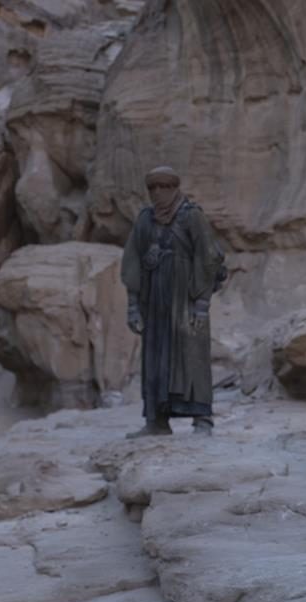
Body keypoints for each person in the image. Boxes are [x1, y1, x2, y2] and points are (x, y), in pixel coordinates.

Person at [121, 166, 225, 438]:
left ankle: (202, 419)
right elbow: (131, 261)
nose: (158, 193)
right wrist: (133, 305)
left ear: (174, 188)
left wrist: (201, 304)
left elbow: (209, 257)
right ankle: (157, 422)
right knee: (155, 358)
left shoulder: (192, 217)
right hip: (154, 301)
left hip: (186, 300)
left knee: (192, 356)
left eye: (164, 186)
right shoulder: (145, 219)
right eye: (153, 188)